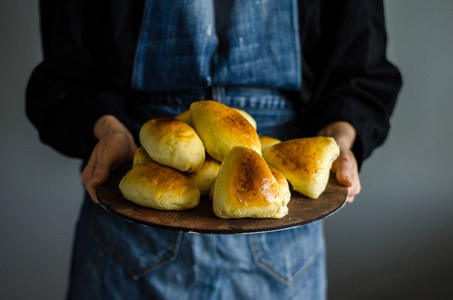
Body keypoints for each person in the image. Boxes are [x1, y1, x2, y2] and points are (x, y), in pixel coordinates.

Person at [26, 0, 401, 299]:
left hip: (281, 224)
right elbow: (64, 72)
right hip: (131, 223)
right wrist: (108, 128)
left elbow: (360, 69)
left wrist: (339, 141)